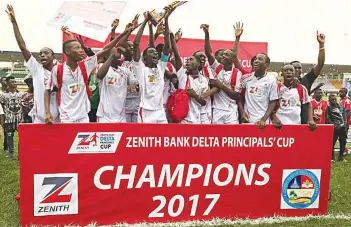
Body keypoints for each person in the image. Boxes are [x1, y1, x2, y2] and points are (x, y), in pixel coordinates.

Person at [44, 27, 133, 124]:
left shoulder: (85, 65)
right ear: (68, 52)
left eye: (81, 48)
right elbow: (48, 90)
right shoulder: (57, 70)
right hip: (66, 118)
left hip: (83, 117)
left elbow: (106, 49)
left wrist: (124, 33)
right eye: (77, 48)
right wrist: (47, 112)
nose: (81, 50)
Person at [6, 5, 59, 123]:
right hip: (40, 119)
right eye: (40, 53)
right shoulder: (37, 69)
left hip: (60, 118)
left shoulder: (60, 70)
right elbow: (22, 46)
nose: (42, 55)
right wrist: (14, 22)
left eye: (46, 53)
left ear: (53, 57)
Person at [132, 8, 174, 123]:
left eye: (156, 52)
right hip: (145, 111)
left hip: (160, 111)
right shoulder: (140, 69)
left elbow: (167, 46)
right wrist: (145, 21)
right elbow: (136, 44)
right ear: (144, 58)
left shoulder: (161, 66)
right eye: (151, 52)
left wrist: (166, 19)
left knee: (163, 138)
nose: (155, 53)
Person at [202, 24, 243, 124]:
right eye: (223, 54)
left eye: (227, 55)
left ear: (233, 59)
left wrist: (220, 85)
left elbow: (236, 96)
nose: (223, 56)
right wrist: (207, 34)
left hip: (231, 112)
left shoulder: (237, 73)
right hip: (217, 110)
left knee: (231, 137)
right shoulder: (218, 68)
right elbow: (208, 53)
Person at [172, 32, 207, 124]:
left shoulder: (203, 80)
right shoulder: (182, 74)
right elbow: (176, 55)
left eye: (191, 59)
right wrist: (173, 40)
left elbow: (204, 102)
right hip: (182, 120)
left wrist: (195, 96)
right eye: (187, 60)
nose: (188, 61)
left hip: (196, 120)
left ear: (198, 64)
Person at [96, 47, 134, 123]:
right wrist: (112, 56)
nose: (118, 55)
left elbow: (135, 85)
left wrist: (133, 86)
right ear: (106, 56)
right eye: (114, 53)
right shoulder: (101, 67)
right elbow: (100, 75)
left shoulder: (125, 71)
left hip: (121, 116)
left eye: (119, 53)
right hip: (105, 116)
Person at [239, 54, 278, 129]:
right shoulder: (246, 79)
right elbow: (240, 97)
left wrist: (264, 119)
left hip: (263, 121)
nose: (256, 61)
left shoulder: (271, 80)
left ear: (266, 64)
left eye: (260, 59)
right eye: (256, 59)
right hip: (247, 120)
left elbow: (273, 101)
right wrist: (242, 112)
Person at [271, 64, 316, 130]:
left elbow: (308, 104)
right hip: (278, 124)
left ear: (294, 74)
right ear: (282, 74)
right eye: (286, 70)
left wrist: (310, 119)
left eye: (291, 70)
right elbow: (269, 103)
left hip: (296, 124)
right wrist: (274, 117)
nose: (288, 72)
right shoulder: (276, 87)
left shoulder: (302, 88)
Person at [0, 76, 23, 160]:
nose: (14, 83)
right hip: (9, 119)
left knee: (22, 137)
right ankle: (11, 153)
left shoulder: (20, 94)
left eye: (15, 81)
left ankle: (21, 154)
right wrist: (2, 119)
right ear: (7, 83)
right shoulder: (3, 95)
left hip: (19, 119)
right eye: (12, 82)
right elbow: (1, 107)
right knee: (9, 136)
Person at [327, 94, 347, 162]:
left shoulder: (341, 107)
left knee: (343, 142)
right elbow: (328, 118)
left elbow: (345, 116)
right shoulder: (328, 107)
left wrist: (343, 124)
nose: (334, 101)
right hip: (334, 128)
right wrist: (333, 125)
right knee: (332, 143)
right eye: (332, 99)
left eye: (335, 99)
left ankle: (341, 156)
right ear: (329, 100)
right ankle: (332, 157)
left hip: (342, 128)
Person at [339, 87, 351, 155]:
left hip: (345, 122)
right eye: (339, 91)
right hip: (341, 121)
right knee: (341, 136)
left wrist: (346, 123)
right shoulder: (341, 100)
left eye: (342, 92)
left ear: (345, 93)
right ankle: (344, 149)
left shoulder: (347, 101)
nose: (340, 93)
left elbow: (348, 112)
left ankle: (345, 150)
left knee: (344, 136)